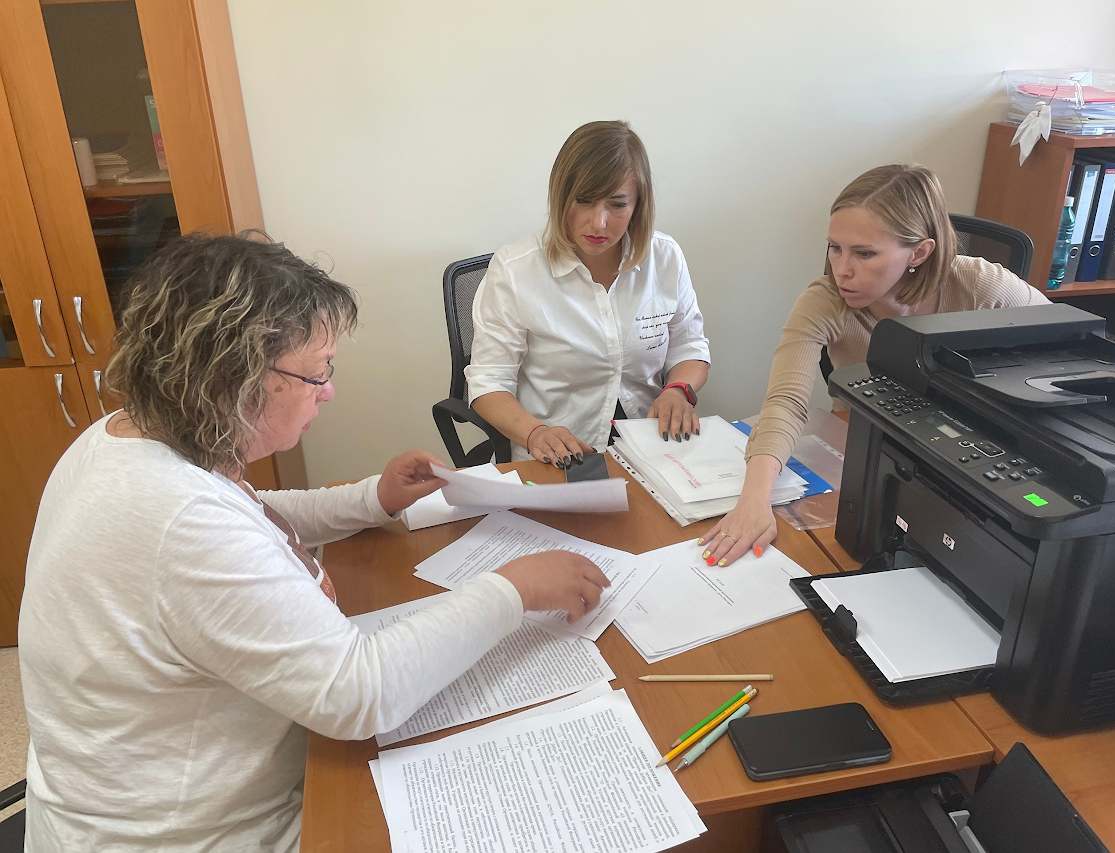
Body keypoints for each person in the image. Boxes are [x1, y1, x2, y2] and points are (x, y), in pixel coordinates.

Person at [18, 234, 610, 853]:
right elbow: (359, 695)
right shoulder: (181, 521)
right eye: (317, 371)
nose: (328, 391)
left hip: (138, 795)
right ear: (236, 378)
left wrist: (371, 498)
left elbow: (249, 512)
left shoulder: (124, 438)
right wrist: (514, 590)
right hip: (189, 836)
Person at [700, 164, 1050, 566]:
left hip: (967, 462)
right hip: (871, 455)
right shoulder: (824, 301)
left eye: (864, 253)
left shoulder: (979, 284)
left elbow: (1073, 344)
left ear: (919, 252)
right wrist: (753, 501)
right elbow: (785, 402)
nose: (841, 269)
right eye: (835, 247)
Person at [466, 120, 711, 468]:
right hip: (554, 454)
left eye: (617, 205)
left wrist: (678, 390)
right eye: (583, 201)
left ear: (638, 205)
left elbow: (689, 347)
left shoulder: (665, 257)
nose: (599, 223)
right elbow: (488, 382)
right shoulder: (515, 269)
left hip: (650, 446)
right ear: (561, 196)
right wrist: (535, 433)